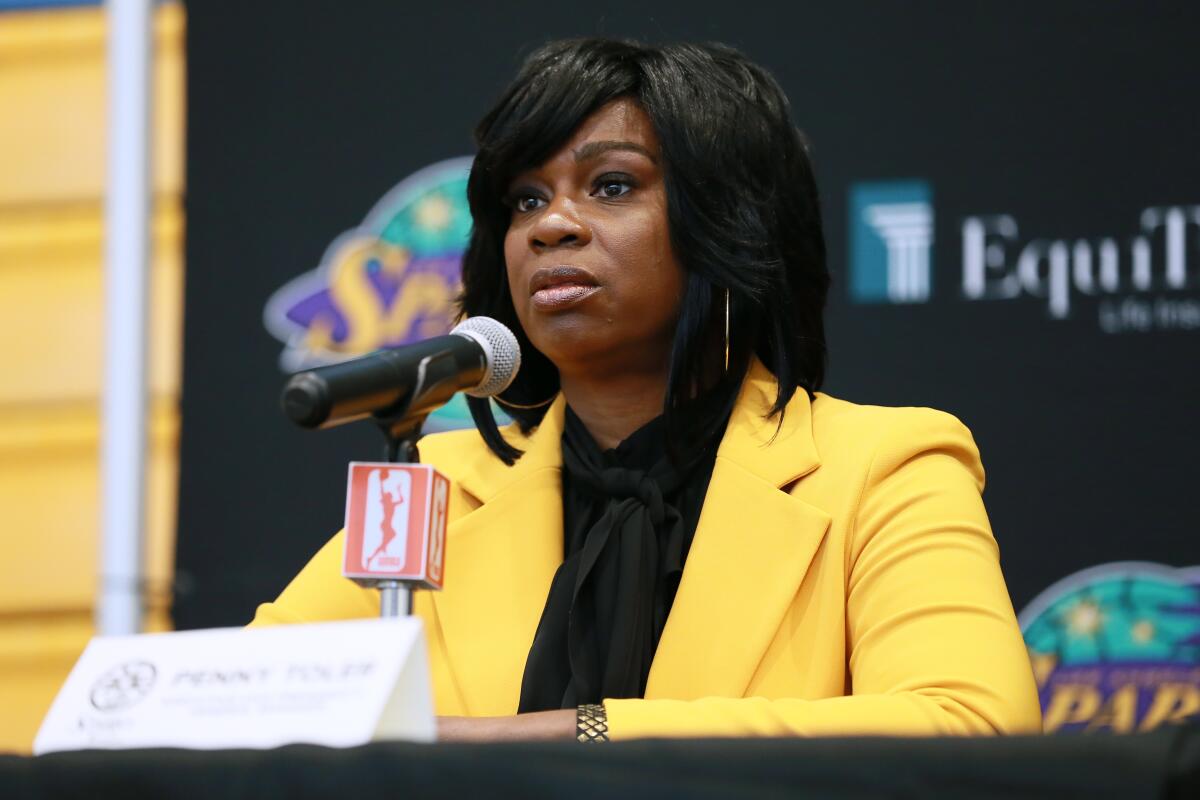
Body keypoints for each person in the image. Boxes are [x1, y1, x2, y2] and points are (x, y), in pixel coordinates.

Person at [250, 38, 1042, 743]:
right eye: (525, 199)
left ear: (730, 224)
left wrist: (580, 734)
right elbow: (244, 708)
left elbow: (969, 723)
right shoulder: (441, 487)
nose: (550, 225)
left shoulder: (885, 467)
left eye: (613, 185)